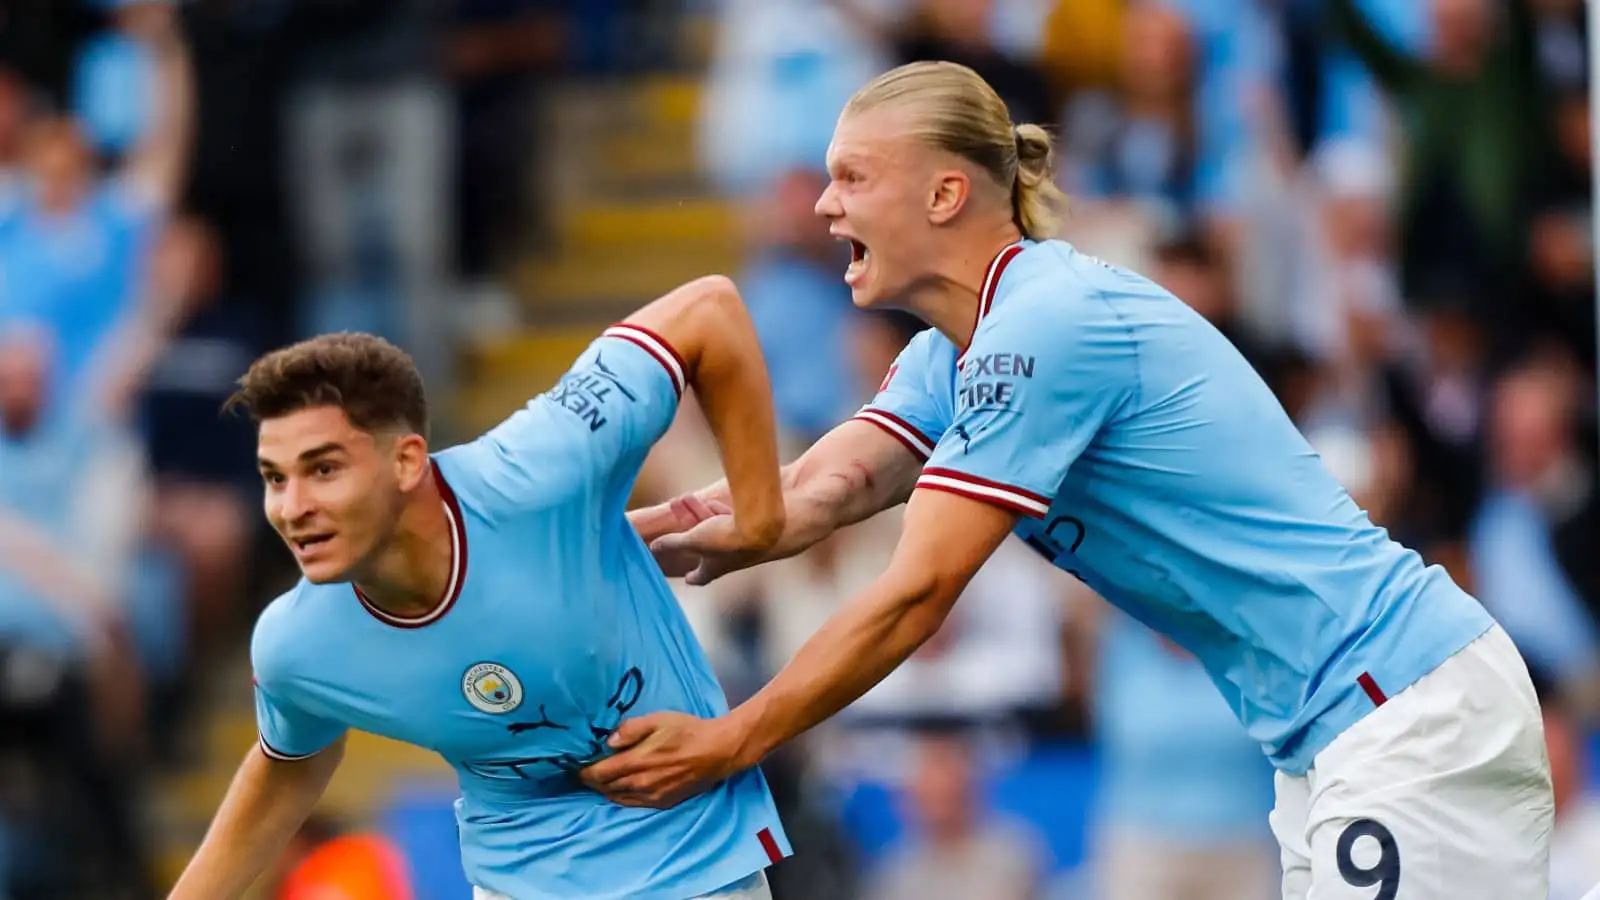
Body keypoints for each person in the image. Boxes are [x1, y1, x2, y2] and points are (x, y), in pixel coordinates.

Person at [582, 61, 1553, 900]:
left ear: (943, 195)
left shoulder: (1047, 325)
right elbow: (813, 497)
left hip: (1403, 709)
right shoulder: (949, 356)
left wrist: (734, 740)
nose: (822, 204)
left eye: (850, 177)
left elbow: (916, 593)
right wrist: (613, 543)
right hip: (1338, 731)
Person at [169, 275, 793, 900]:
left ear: (407, 462)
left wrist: (759, 522)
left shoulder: (542, 464)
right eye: (274, 479)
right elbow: (282, 774)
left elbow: (710, 310)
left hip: (692, 867)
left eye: (323, 469)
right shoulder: (296, 643)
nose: (292, 507)